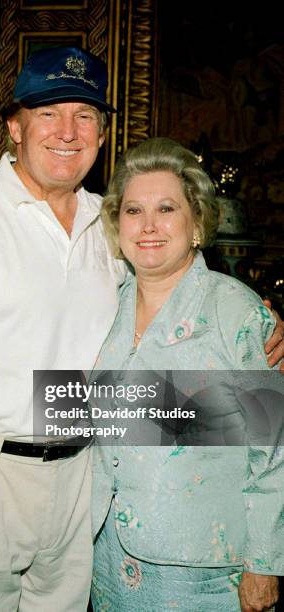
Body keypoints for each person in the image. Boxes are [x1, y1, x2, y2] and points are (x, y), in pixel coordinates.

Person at [0, 47, 284, 611]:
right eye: (48, 111)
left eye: (85, 114)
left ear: (101, 133)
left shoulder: (109, 226)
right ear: (15, 127)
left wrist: (255, 328)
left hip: (78, 490)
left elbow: (138, 383)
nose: (67, 131)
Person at [90, 137, 283, 611]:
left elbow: (274, 449)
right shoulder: (101, 307)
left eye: (167, 208)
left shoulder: (236, 311)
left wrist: (265, 562)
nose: (149, 226)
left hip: (204, 571)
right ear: (117, 223)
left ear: (196, 221)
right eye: (133, 211)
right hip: (104, 558)